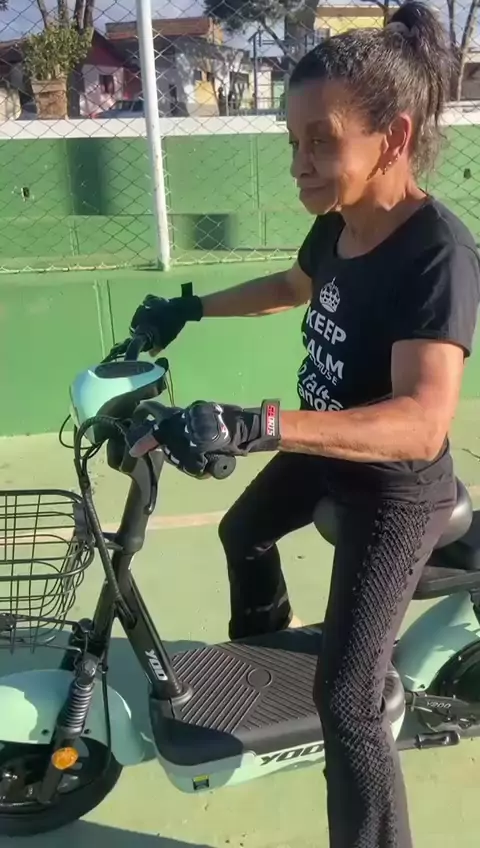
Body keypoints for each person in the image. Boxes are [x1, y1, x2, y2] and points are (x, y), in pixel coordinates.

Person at [129, 2, 480, 846]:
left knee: (349, 702)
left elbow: (421, 423)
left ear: (393, 139)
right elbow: (292, 287)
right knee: (243, 531)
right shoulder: (339, 225)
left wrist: (259, 424)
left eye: (321, 142)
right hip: (326, 448)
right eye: (292, 142)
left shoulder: (436, 253)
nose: (299, 164)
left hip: (392, 490)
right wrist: (190, 309)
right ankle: (271, 685)